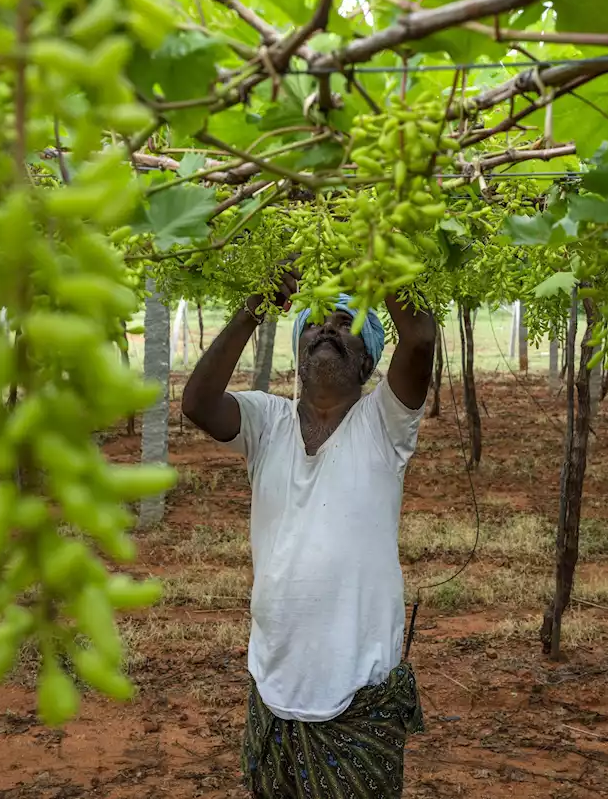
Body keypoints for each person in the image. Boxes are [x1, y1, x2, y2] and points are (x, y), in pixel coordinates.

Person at [181, 261, 437, 799]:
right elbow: (198, 403)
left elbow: (418, 340)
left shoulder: (384, 424)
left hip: (358, 697)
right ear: (297, 352)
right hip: (272, 685)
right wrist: (257, 304)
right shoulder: (266, 422)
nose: (327, 329)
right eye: (316, 321)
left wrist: (379, 248)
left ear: (367, 359)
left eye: (345, 323)